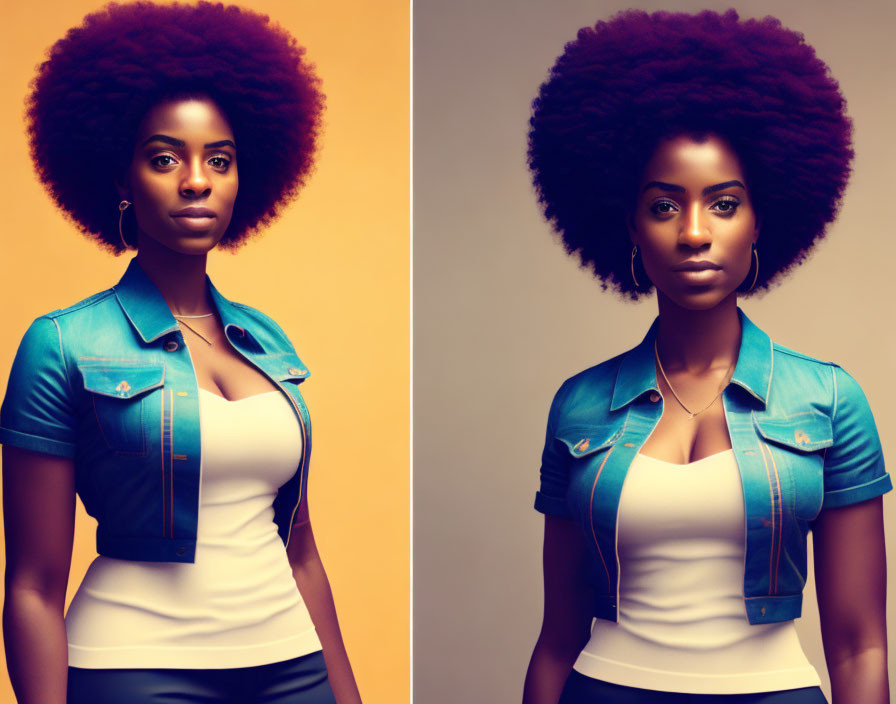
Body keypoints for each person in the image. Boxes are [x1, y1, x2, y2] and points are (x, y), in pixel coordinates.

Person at [522, 9, 889, 704]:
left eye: (723, 204)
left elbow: (860, 645)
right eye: (665, 207)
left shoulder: (830, 401)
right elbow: (556, 639)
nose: (694, 233)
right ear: (628, 224)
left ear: (760, 221)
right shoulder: (579, 405)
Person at [0, 3, 362, 703]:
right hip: (137, 668)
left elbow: (301, 551)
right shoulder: (62, 344)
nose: (195, 181)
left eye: (218, 161)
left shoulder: (269, 341)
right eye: (165, 158)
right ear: (121, 179)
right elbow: (32, 586)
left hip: (293, 665)